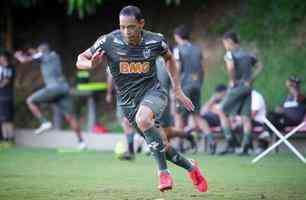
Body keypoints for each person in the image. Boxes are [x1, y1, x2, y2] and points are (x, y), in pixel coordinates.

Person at [76, 5, 207, 192]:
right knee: (161, 145)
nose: (126, 31)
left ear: (141, 24)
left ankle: (163, 173)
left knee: (143, 119)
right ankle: (192, 168)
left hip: (154, 93)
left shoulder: (155, 41)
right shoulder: (108, 41)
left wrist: (177, 89)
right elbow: (80, 58)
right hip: (128, 103)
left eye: (130, 27)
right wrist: (90, 64)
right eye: (122, 27)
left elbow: (170, 59)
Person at [14, 43, 86, 150]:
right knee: (70, 117)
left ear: (40, 51)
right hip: (64, 88)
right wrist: (34, 52)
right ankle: (81, 142)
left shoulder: (41, 55)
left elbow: (25, 60)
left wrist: (18, 56)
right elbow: (38, 54)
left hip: (53, 88)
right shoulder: (55, 55)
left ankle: (44, 122)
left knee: (30, 101)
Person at [217, 31, 263, 155]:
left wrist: (232, 81)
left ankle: (230, 143)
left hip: (237, 87)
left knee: (221, 110)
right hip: (248, 87)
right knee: (245, 117)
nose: (224, 46)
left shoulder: (229, 54)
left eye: (224, 43)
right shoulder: (248, 54)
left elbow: (231, 68)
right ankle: (246, 146)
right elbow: (259, 66)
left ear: (229, 41)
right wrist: (251, 79)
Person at [173, 25, 216, 154]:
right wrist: (199, 83)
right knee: (196, 115)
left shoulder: (177, 49)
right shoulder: (197, 49)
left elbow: (178, 68)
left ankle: (179, 145)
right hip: (196, 85)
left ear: (178, 37)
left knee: (179, 115)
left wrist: (175, 85)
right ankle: (212, 141)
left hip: (184, 86)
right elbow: (202, 69)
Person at [0, 50, 15, 144]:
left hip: (6, 96)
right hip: (2, 96)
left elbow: (6, 81)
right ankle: (5, 140)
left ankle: (11, 139)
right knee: (2, 119)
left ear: (4, 58)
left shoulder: (8, 68)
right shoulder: (2, 68)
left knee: (7, 119)